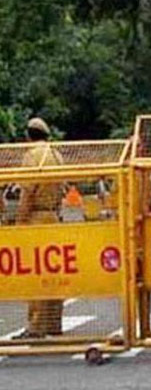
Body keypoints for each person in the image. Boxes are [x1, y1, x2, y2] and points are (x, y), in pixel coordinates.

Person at [13, 117, 65, 339]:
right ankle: (54, 323)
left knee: (35, 272)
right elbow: (62, 190)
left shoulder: (31, 156)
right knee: (55, 273)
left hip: (36, 219)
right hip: (54, 216)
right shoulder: (56, 155)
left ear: (28, 135)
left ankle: (36, 326)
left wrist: (19, 222)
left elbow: (27, 193)